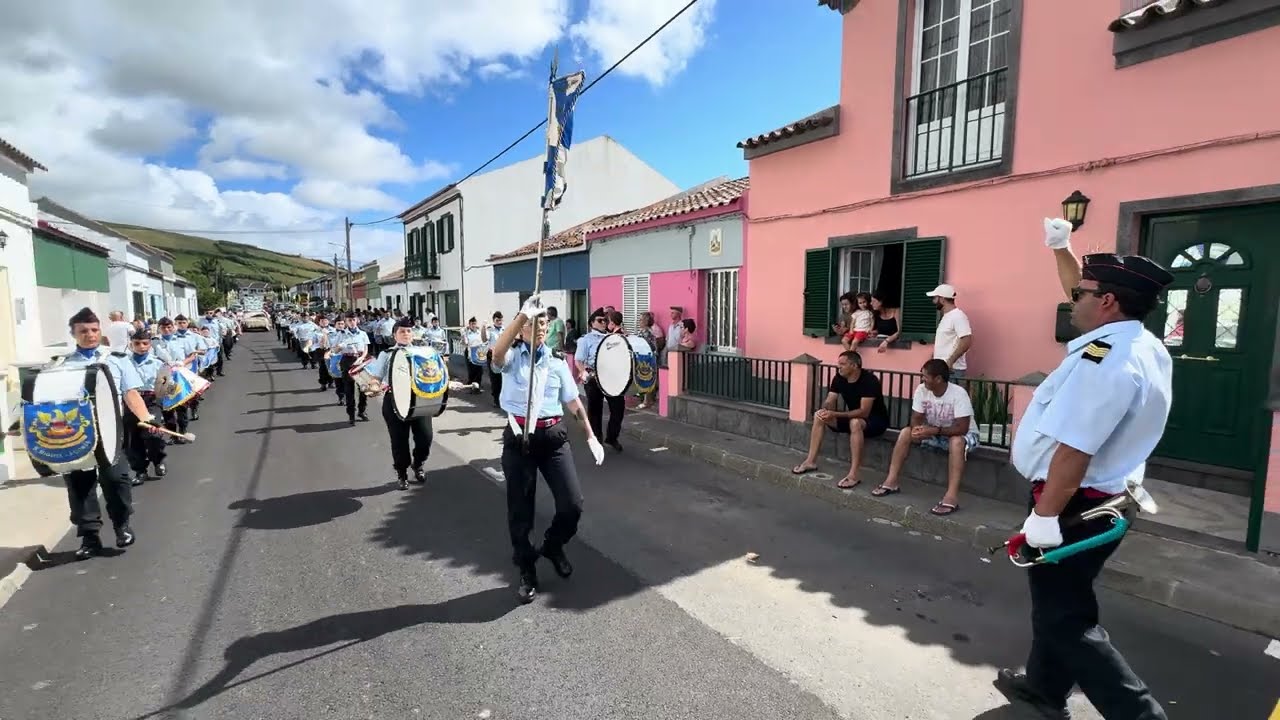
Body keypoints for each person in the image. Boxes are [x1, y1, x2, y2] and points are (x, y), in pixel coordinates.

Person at [995, 218, 1173, 720]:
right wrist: (1061, 248)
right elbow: (1083, 290)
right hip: (1096, 497)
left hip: (1074, 502)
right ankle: (1044, 689)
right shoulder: (1137, 342)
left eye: (1081, 294)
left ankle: (1140, 715)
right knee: (1058, 603)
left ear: (1108, 301)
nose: (1071, 299)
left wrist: (1044, 517)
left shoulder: (1106, 361)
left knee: (1066, 619)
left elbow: (1074, 450)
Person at [490, 295, 604, 604]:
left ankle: (553, 546)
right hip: (520, 439)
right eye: (533, 323)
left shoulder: (556, 361)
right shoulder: (512, 358)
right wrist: (521, 317)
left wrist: (591, 436)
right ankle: (526, 569)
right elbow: (497, 355)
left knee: (572, 504)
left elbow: (573, 401)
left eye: (543, 323)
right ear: (522, 329)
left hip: (553, 438)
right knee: (521, 511)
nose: (540, 328)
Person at [54, 308, 163, 558]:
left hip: (110, 431)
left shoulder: (116, 359)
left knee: (116, 479)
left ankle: (122, 525)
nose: (90, 335)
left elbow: (130, 393)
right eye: (83, 331)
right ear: (73, 334)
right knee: (80, 485)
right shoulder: (63, 364)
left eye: (94, 330)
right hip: (76, 433)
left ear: (100, 331)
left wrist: (145, 417)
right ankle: (90, 537)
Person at [361, 317, 468, 489]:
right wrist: (374, 386)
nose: (406, 334)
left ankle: (418, 464)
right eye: (402, 331)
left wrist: (448, 383)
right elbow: (376, 377)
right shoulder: (386, 354)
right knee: (399, 441)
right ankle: (401, 472)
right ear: (394, 335)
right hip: (394, 402)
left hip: (420, 400)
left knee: (425, 438)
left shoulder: (422, 353)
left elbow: (432, 376)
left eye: (408, 331)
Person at [791, 350, 890, 489]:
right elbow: (830, 399)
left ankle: (854, 474)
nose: (839, 367)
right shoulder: (839, 378)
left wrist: (835, 414)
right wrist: (826, 410)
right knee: (819, 416)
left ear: (854, 365)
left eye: (843, 364)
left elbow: (864, 412)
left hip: (875, 421)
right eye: (839, 364)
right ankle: (810, 461)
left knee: (855, 423)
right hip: (852, 418)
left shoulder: (869, 380)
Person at [125, 330, 169, 485]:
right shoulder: (124, 363)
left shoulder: (158, 363)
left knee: (153, 434)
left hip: (151, 400)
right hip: (130, 400)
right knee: (133, 438)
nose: (141, 346)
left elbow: (165, 385)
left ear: (150, 345)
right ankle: (140, 470)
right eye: (137, 343)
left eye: (145, 343)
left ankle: (158, 461)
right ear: (131, 345)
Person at [330, 312, 370, 424]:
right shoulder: (341, 334)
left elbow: (366, 349)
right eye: (349, 320)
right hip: (347, 360)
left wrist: (362, 358)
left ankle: (362, 411)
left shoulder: (362, 333)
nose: (352, 322)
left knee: (363, 388)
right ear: (346, 322)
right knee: (349, 389)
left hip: (360, 361)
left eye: (353, 320)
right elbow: (334, 350)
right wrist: (340, 346)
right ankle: (351, 414)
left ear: (357, 320)